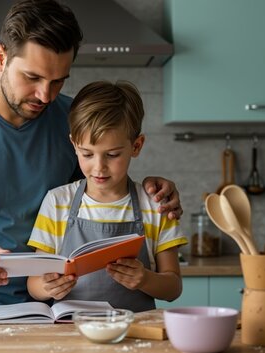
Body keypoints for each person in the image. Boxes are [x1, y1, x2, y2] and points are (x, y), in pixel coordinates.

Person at [0, 0, 183, 315]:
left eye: (58, 80)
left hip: (49, 311)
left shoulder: (69, 119)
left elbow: (98, 188)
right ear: (0, 58)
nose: (46, 95)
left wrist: (152, 188)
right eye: (32, 77)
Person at [26, 81, 187, 312]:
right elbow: (34, 284)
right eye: (87, 154)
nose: (99, 167)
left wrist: (145, 280)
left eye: (112, 154)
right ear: (74, 144)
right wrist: (47, 287)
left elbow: (174, 288)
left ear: (137, 146)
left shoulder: (156, 205)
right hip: (71, 334)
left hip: (135, 334)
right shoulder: (57, 202)